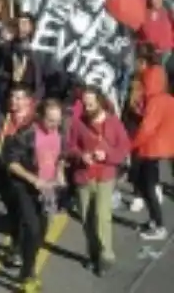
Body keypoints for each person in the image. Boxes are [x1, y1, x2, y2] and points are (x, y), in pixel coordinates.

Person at [66, 84, 130, 276]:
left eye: (91, 105)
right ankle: (93, 255)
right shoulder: (78, 123)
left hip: (105, 176)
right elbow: (70, 146)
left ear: (100, 103)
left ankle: (106, 255)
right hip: (84, 177)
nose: (87, 109)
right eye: (84, 105)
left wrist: (107, 155)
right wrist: (80, 155)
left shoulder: (113, 123)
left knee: (102, 216)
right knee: (87, 218)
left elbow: (124, 148)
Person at [0, 87, 57, 293]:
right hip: (23, 185)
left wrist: (62, 174)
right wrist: (33, 179)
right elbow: (12, 162)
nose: (54, 125)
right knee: (30, 226)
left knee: (41, 230)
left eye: (57, 121)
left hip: (48, 187)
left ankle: (26, 256)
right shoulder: (26, 134)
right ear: (40, 117)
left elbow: (64, 154)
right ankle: (28, 271)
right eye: (50, 121)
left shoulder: (59, 131)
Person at [130, 45, 174, 241]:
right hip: (156, 146)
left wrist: (130, 146)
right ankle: (155, 221)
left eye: (137, 63)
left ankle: (159, 225)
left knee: (146, 186)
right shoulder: (161, 95)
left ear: (144, 64)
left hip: (149, 148)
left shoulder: (154, 99)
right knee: (146, 184)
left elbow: (147, 128)